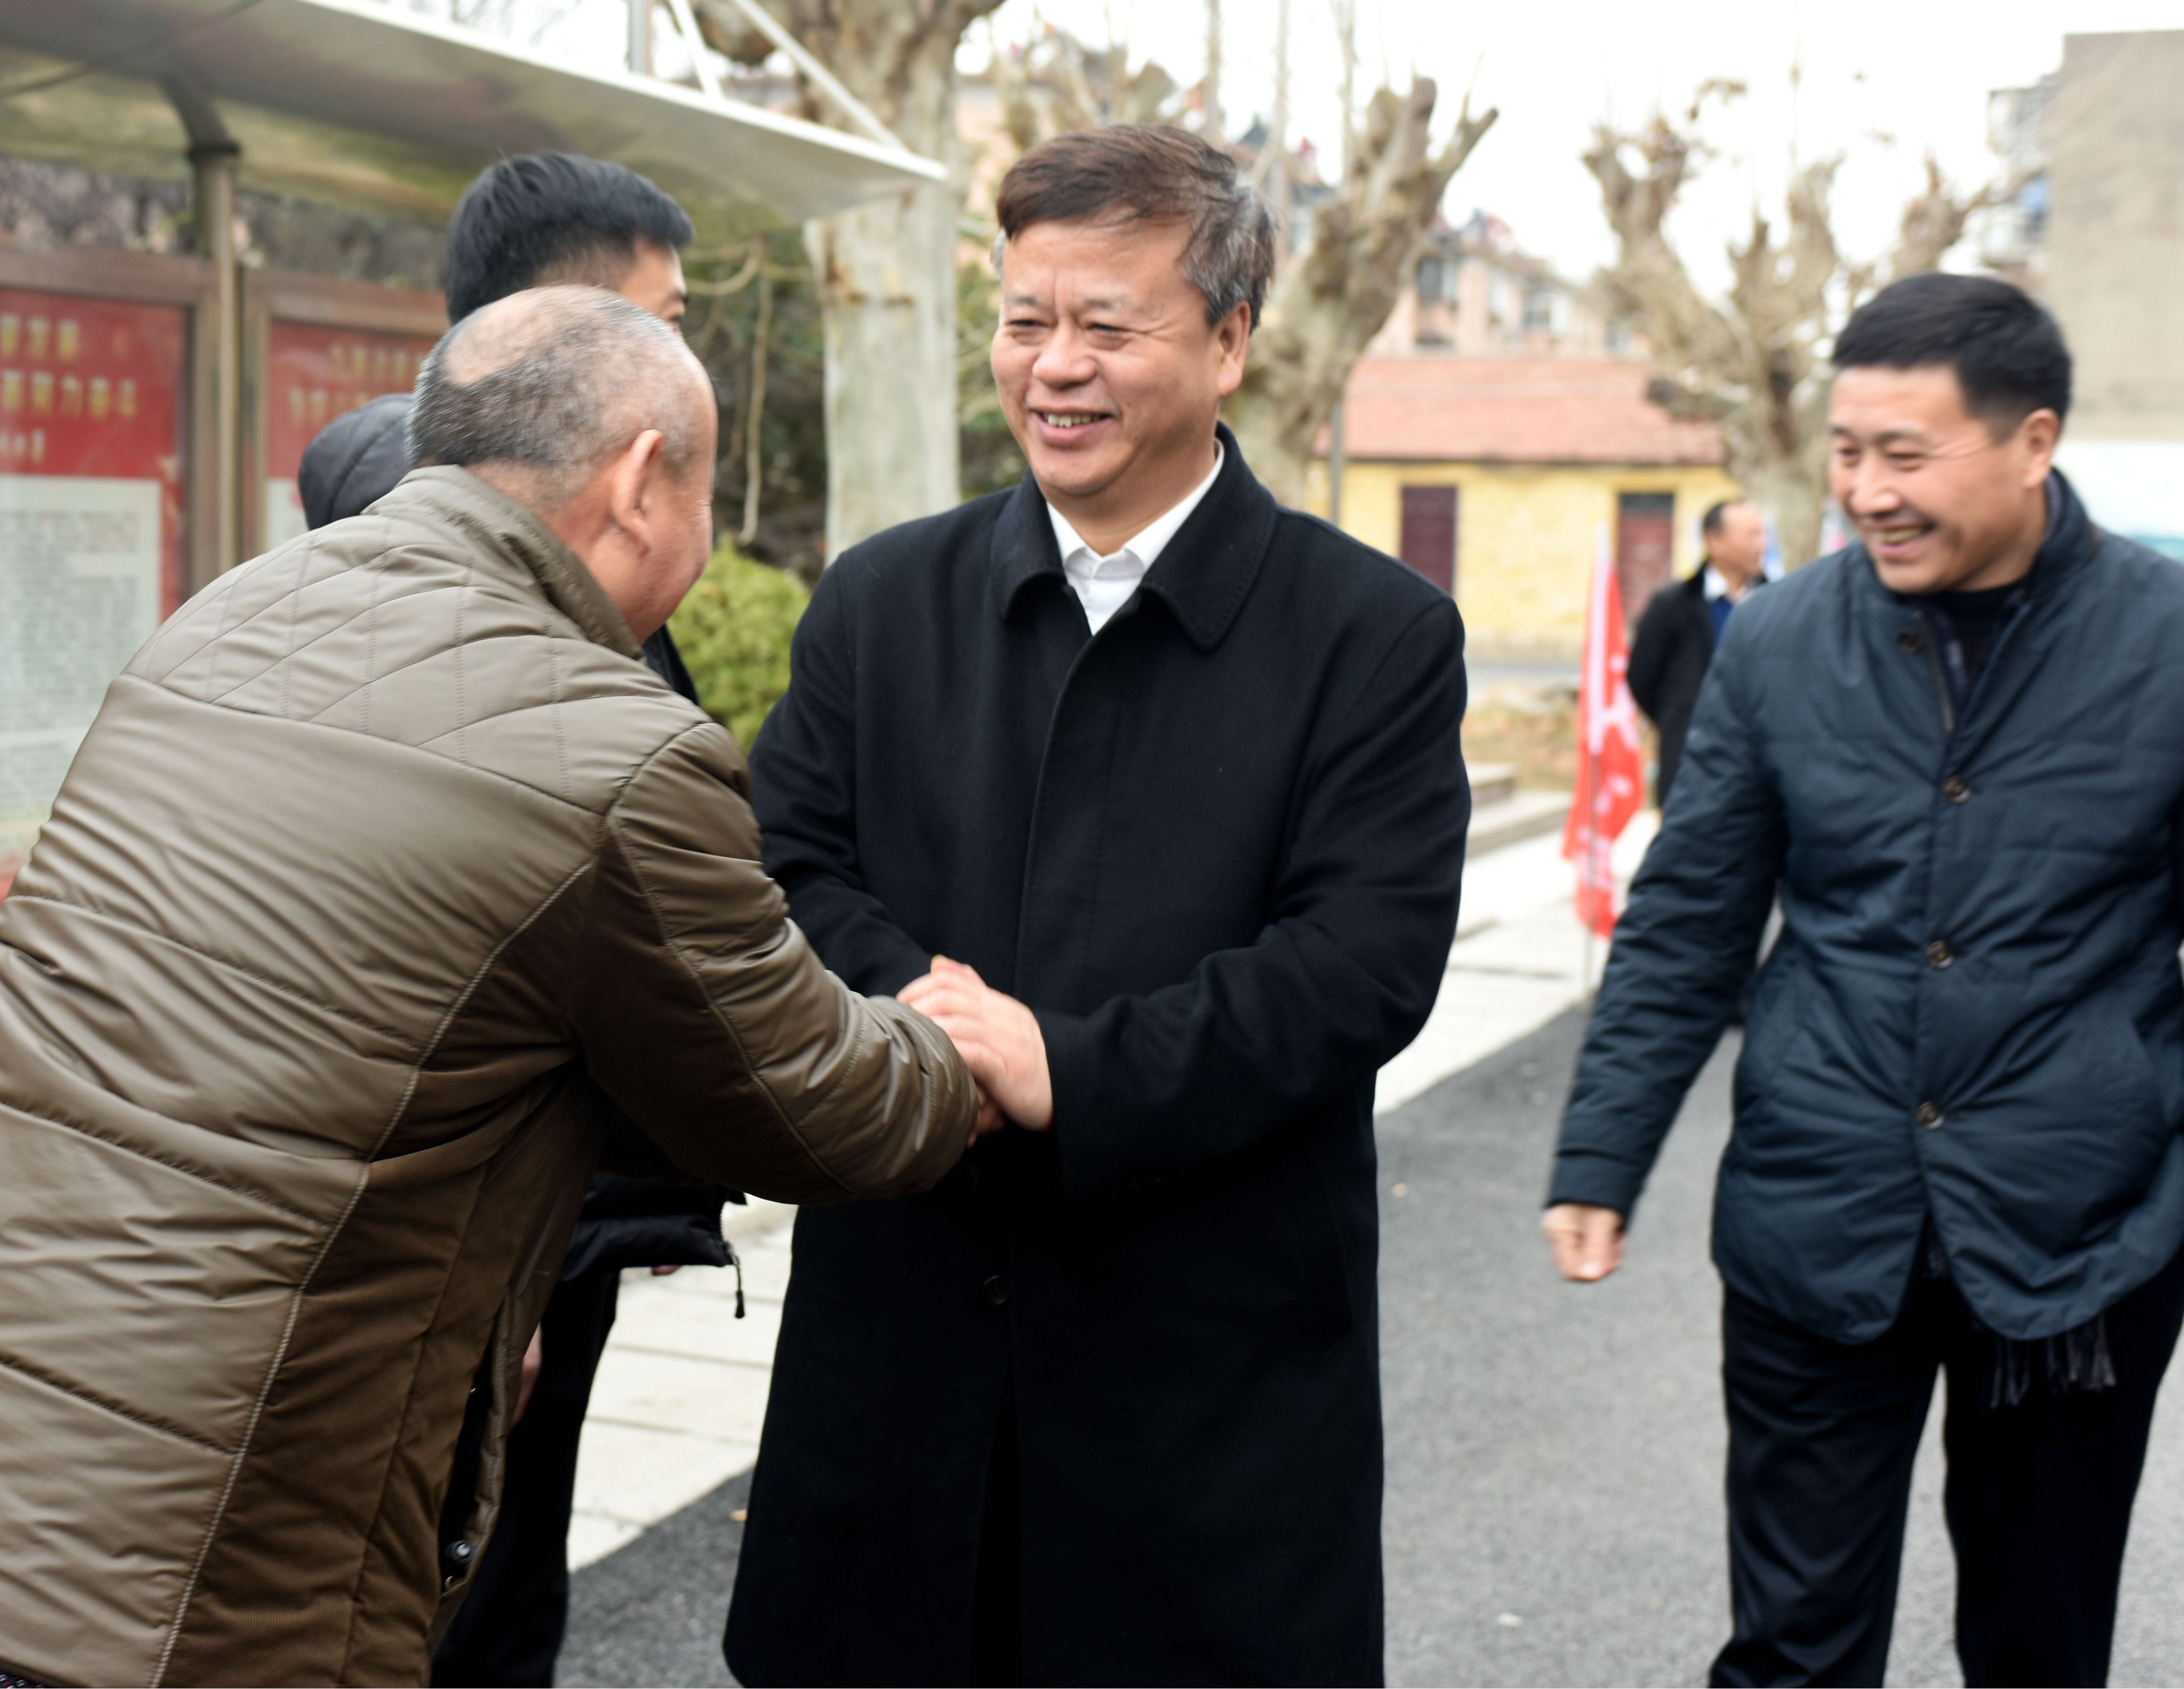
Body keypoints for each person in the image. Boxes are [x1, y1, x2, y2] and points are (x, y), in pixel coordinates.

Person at [0, 289, 994, 1689]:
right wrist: (951, 1045)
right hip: (138, 1613)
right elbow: (811, 1107)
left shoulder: (233, 616)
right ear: (642, 481)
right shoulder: (613, 752)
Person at [725, 124, 1472, 1686]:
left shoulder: (1370, 634)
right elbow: (783, 868)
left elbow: (1361, 960)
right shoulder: (883, 598)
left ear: (1229, 342)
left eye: (1105, 326)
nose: (1052, 367)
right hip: (903, 1345)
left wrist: (1068, 1066)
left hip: (1203, 1385)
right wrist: (939, 1028)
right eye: (1022, 321)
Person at [1544, 272, 2184, 1688]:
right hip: (1817, 1217)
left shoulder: (2165, 638)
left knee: (2038, 1645)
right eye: (1847, 453)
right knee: (1793, 1647)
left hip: (2080, 1241)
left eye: (1906, 454)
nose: (1865, 491)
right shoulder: (1778, 640)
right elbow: (1689, 917)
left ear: (2033, 440)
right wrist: (1602, 1152)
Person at [294, 150, 722, 1687]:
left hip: (486, 1220)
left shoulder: (370, 529)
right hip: (498, 1226)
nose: (690, 358)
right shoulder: (553, 626)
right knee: (473, 1597)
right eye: (664, 319)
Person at [1628, 498, 1769, 807]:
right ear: (1713, 541)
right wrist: (1676, 718)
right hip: (1690, 763)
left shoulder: (1777, 604)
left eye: (1763, 534)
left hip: (1762, 765)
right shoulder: (1673, 605)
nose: (1761, 545)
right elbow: (1641, 677)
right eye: (1751, 536)